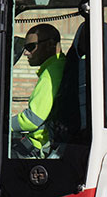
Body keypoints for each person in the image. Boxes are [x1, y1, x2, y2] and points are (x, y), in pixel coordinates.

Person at [11, 23, 66, 158]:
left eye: (31, 47)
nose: (26, 52)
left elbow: (32, 119)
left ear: (50, 44)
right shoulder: (59, 66)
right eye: (25, 48)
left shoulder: (51, 73)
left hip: (38, 150)